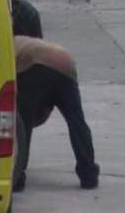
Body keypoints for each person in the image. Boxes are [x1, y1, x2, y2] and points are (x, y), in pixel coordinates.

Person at [13, 35, 99, 192]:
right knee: (76, 122)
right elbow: (44, 109)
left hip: (38, 65)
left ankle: (17, 176)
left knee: (23, 123)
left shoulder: (5, 48)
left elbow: (21, 115)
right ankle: (88, 175)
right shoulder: (25, 43)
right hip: (66, 64)